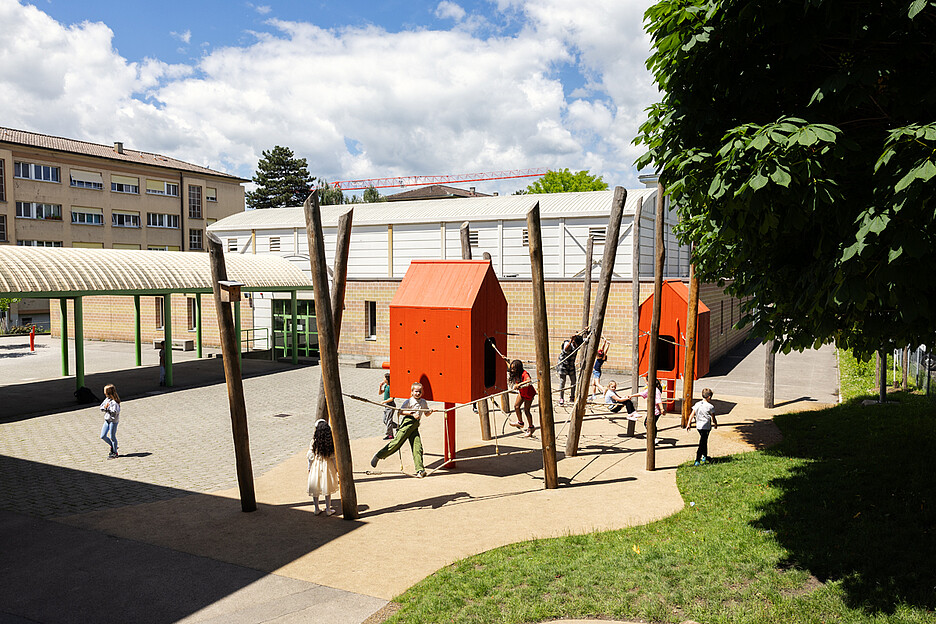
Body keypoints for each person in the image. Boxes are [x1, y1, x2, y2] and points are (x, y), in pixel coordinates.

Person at [371, 382, 429, 478]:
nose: (418, 393)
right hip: (407, 423)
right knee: (396, 443)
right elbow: (400, 412)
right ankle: (379, 455)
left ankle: (420, 470)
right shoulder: (409, 401)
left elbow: (426, 413)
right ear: (412, 392)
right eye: (416, 391)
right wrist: (412, 413)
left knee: (418, 447)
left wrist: (430, 411)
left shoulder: (423, 402)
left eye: (419, 392)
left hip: (415, 427)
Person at [308, 418, 340, 515]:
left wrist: (309, 467)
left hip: (316, 466)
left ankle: (316, 508)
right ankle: (328, 509)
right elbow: (333, 457)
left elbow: (310, 456)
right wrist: (336, 468)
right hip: (327, 466)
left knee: (315, 488)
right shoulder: (329, 443)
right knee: (327, 487)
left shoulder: (314, 442)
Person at [686, 388, 718, 465]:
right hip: (706, 427)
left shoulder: (697, 404)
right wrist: (715, 424)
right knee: (702, 442)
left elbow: (692, 414)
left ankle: (704, 456)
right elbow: (713, 417)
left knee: (704, 441)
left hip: (699, 426)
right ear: (709, 397)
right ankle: (697, 459)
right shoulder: (710, 406)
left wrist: (688, 424)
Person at [629, 378, 665, 443]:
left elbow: (659, 401)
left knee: (648, 423)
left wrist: (662, 409)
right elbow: (642, 394)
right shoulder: (650, 389)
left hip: (656, 411)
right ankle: (653, 436)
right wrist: (632, 395)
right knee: (649, 423)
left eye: (647, 382)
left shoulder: (656, 391)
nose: (646, 383)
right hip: (651, 410)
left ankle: (653, 437)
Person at [507, 359, 537, 437]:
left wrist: (519, 384)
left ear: (518, 368)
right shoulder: (515, 373)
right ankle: (520, 422)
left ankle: (531, 427)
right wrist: (505, 361)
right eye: (512, 368)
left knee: (526, 410)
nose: (512, 370)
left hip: (529, 393)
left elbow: (529, 380)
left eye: (514, 369)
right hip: (522, 392)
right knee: (516, 406)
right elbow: (509, 367)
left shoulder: (524, 373)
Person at [556, 334, 584, 405]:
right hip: (563, 365)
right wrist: (571, 340)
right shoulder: (567, 343)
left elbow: (585, 340)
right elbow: (565, 349)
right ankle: (561, 398)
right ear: (573, 342)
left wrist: (586, 331)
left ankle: (572, 397)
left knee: (574, 381)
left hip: (571, 365)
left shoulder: (578, 344)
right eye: (575, 345)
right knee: (563, 381)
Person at [99, 384, 121, 459]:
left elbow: (116, 411)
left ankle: (115, 452)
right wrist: (104, 408)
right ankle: (113, 445)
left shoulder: (115, 402)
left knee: (112, 436)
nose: (105, 394)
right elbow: (101, 407)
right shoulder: (107, 400)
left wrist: (108, 408)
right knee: (103, 436)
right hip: (107, 420)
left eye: (106, 393)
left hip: (113, 421)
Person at [379, 372, 396, 440]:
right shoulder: (386, 386)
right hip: (386, 405)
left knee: (388, 420)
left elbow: (391, 398)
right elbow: (380, 393)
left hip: (390, 405)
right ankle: (398, 426)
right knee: (385, 420)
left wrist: (384, 401)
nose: (383, 379)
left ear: (387, 379)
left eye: (384, 378)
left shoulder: (391, 388)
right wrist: (380, 387)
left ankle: (390, 435)